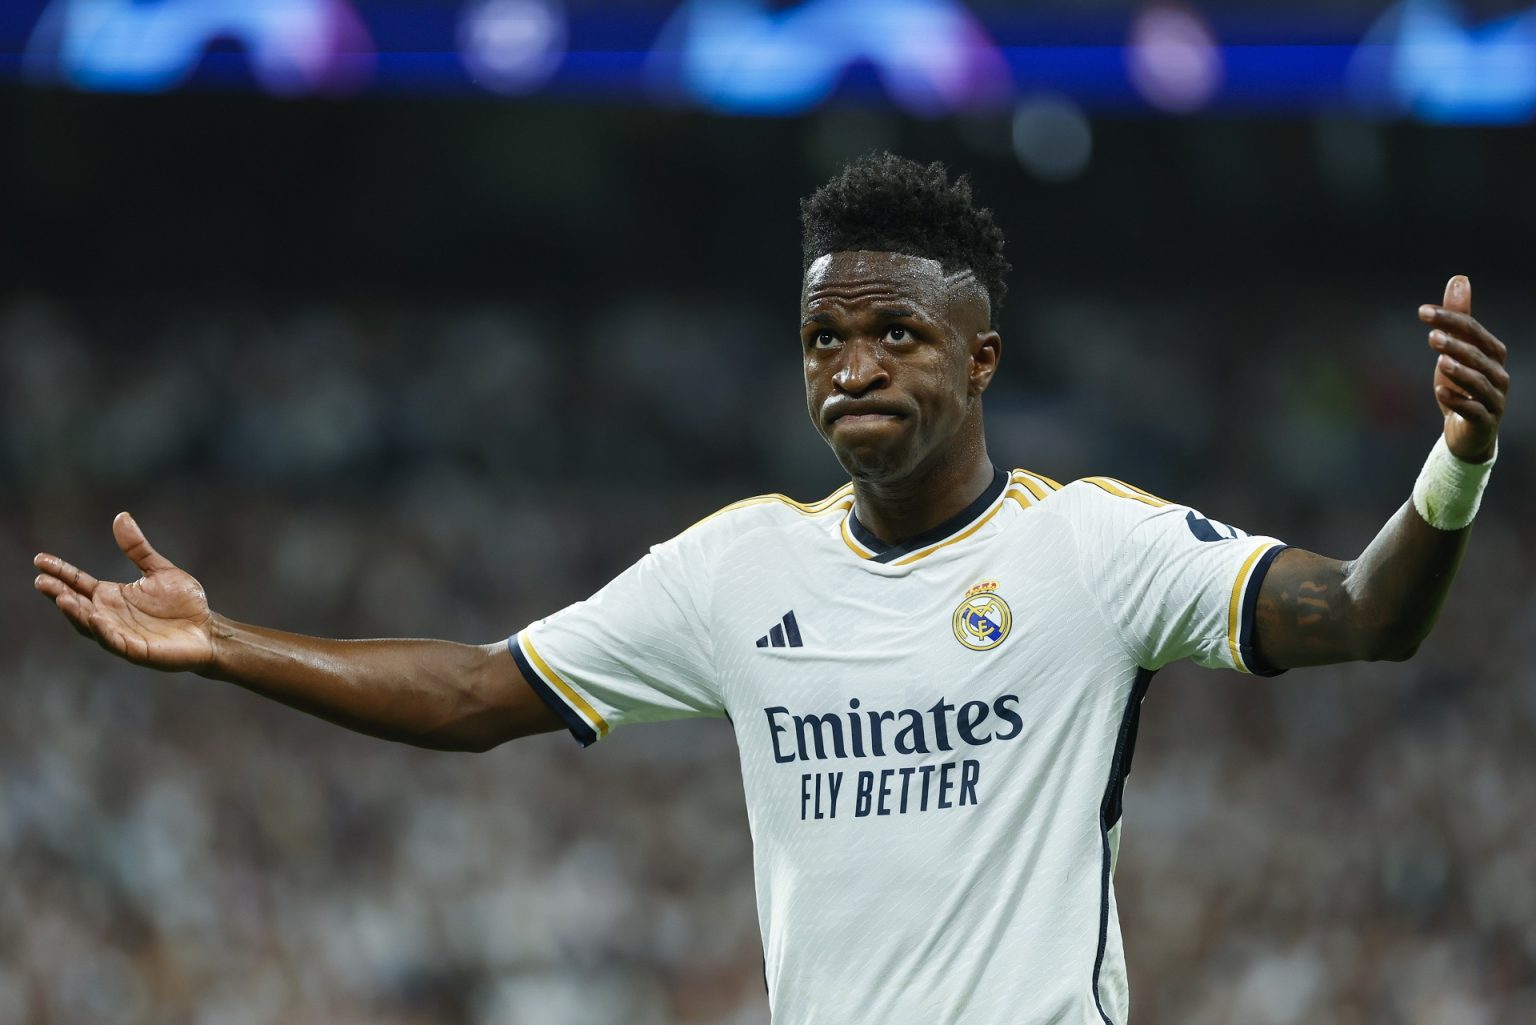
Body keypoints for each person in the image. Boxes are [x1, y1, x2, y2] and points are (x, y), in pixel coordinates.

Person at [32, 153, 1510, 1025]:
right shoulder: (741, 568)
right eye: (822, 339)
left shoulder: (1092, 549)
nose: (851, 367)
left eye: (894, 334)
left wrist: (1455, 462)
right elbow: (482, 690)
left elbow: (1366, 613)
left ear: (981, 357)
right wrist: (224, 643)